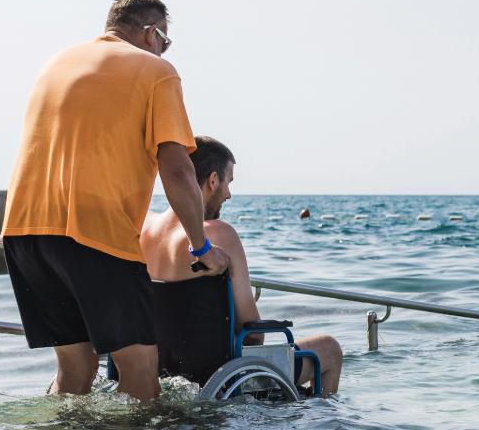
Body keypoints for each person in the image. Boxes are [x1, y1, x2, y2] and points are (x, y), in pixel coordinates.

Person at [1, 0, 231, 402]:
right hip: (95, 233)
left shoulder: (58, 62)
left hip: (25, 232)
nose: (163, 51)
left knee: (75, 367)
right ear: (151, 32)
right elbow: (178, 170)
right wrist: (201, 248)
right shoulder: (156, 71)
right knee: (139, 368)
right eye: (165, 41)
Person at [140, 137, 344, 395]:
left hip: (154, 371)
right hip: (222, 378)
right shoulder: (219, 235)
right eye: (229, 182)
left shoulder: (145, 228)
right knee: (329, 349)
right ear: (213, 180)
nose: (229, 194)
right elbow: (253, 333)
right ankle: (319, 421)